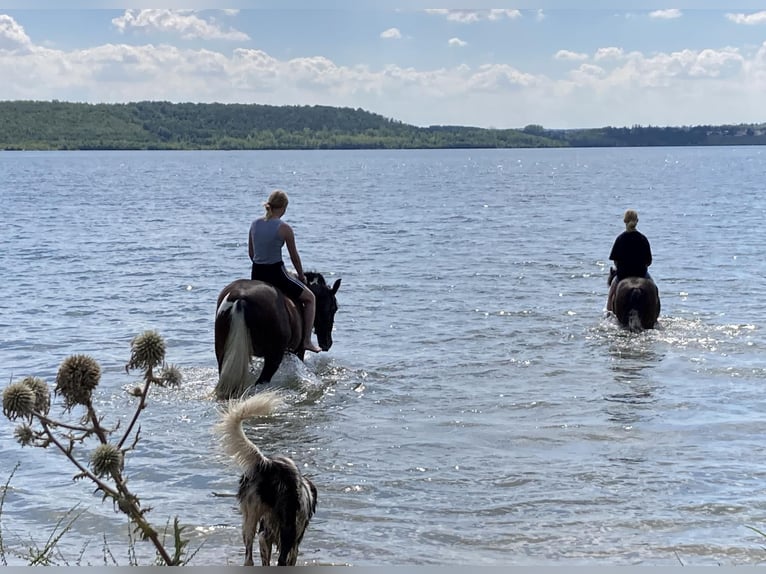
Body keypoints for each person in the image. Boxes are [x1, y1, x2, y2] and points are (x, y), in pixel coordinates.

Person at [248, 189, 322, 353]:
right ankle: (307, 341)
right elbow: (294, 257)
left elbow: (251, 254)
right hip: (276, 275)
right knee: (310, 298)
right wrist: (301, 276)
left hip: (256, 275)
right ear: (284, 207)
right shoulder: (284, 228)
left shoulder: (254, 224)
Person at [606, 209, 653, 313]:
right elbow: (649, 261)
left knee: (611, 295)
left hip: (623, 274)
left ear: (624, 221)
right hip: (641, 274)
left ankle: (608, 315)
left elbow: (615, 261)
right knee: (654, 289)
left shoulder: (620, 239)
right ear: (637, 221)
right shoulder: (643, 239)